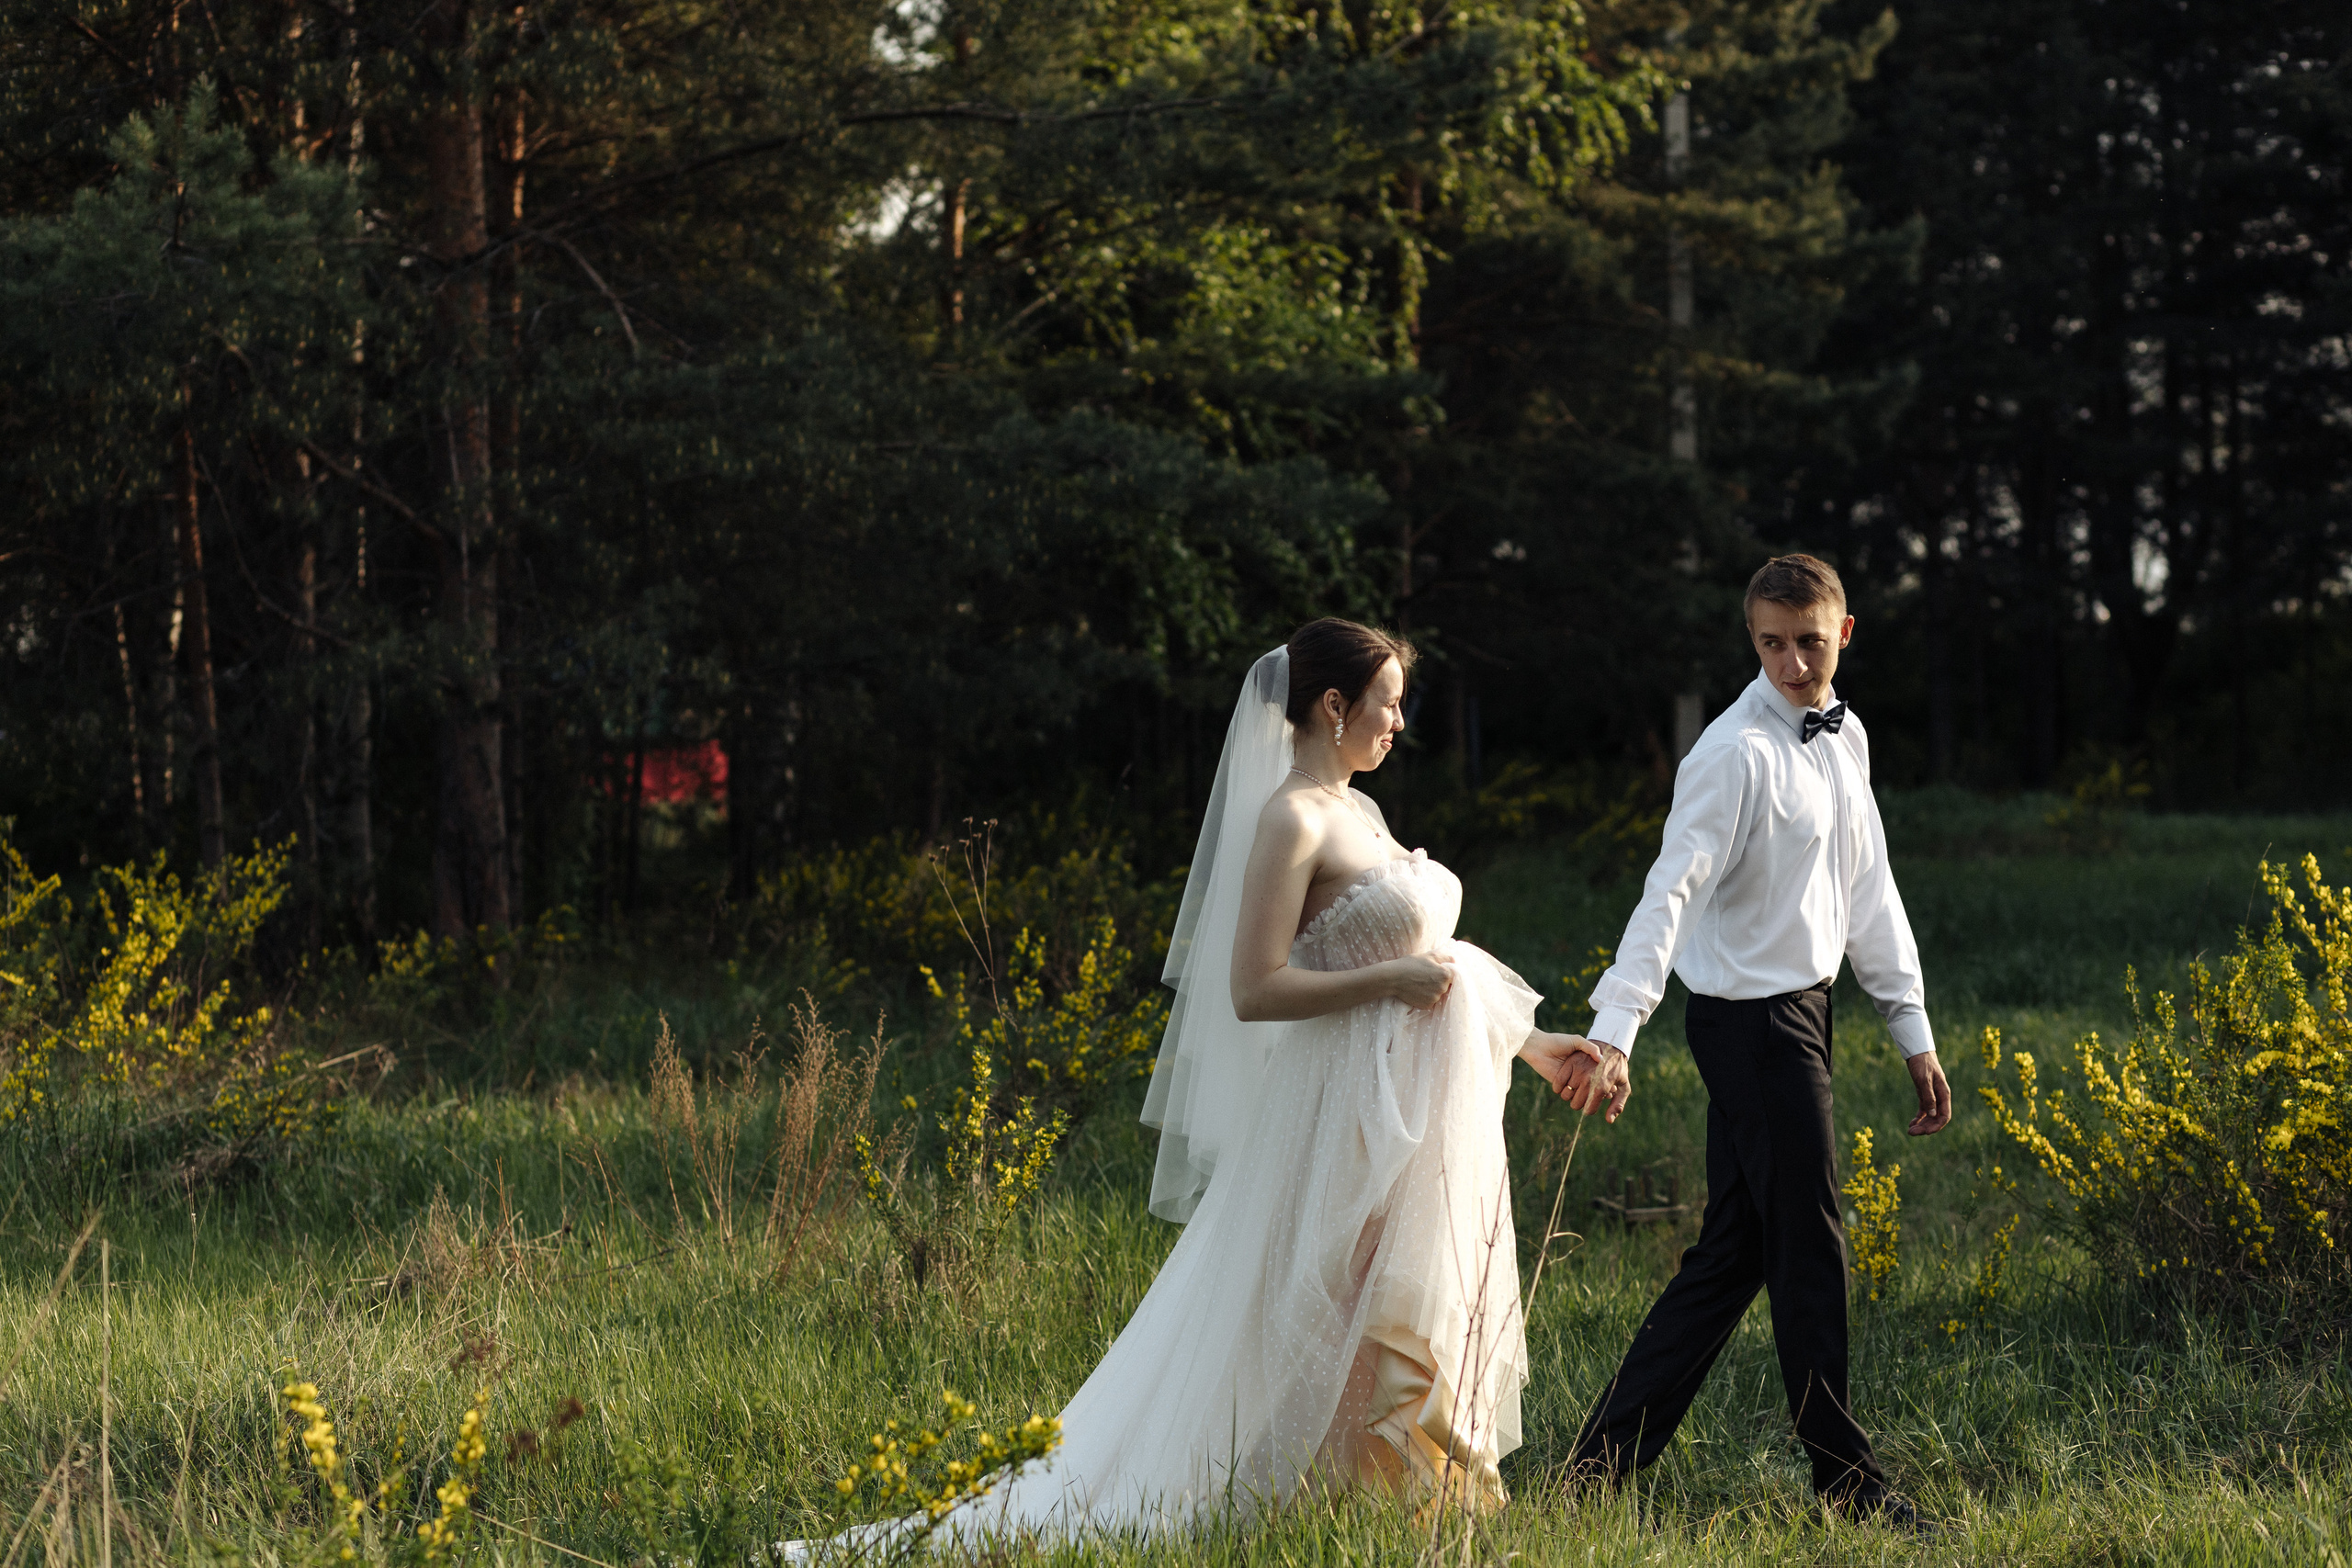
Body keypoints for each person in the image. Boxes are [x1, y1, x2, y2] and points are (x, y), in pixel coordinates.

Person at [794, 619, 1599, 1557]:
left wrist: (1534, 1043)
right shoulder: (1291, 818)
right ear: (1333, 706)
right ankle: (1248, 1497)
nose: (1399, 724)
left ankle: (1371, 1508)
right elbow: (1256, 989)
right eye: (1387, 705)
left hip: (1409, 1111)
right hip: (1340, 1107)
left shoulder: (1359, 812)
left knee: (1377, 1303)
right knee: (1315, 1300)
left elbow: (1434, 963)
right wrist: (1385, 983)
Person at [1560, 554, 1951, 1530]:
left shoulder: (1844, 735)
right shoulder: (1730, 754)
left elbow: (1868, 890)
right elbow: (1669, 894)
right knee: (1809, 1246)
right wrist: (1616, 1028)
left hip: (1805, 1015)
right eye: (1771, 644)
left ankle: (1596, 1469)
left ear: (1844, 633)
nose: (1789, 664)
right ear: (1752, 639)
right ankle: (1847, 1485)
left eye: (1808, 643)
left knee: (1734, 1255)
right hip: (1747, 1026)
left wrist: (1911, 1027)